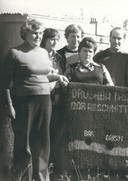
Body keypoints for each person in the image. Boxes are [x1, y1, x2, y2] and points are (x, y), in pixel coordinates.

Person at [2, 19, 69, 181]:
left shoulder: (43, 52)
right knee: (23, 143)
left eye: (40, 33)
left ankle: (41, 177)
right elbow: (4, 82)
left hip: (45, 101)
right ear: (25, 34)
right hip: (23, 101)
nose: (38, 36)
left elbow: (44, 75)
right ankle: (23, 176)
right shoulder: (15, 53)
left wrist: (58, 76)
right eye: (34, 33)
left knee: (42, 141)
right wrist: (9, 105)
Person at [40, 28, 66, 177]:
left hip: (57, 101)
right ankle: (41, 168)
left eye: (57, 39)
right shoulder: (39, 55)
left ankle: (53, 167)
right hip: (43, 100)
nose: (55, 42)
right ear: (45, 40)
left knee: (55, 135)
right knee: (43, 135)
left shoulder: (60, 58)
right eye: (52, 39)